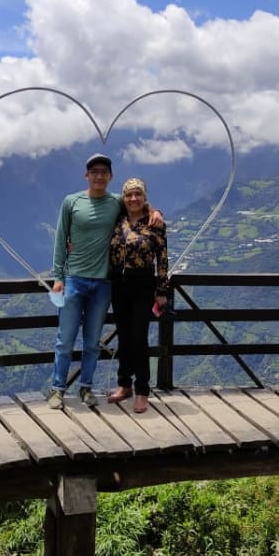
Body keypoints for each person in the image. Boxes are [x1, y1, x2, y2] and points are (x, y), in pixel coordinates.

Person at [47, 153, 161, 409]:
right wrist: (58, 277)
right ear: (86, 175)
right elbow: (60, 239)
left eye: (104, 171)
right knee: (65, 338)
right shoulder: (71, 202)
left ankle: (85, 387)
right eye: (94, 171)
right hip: (74, 279)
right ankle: (57, 389)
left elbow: (139, 203)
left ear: (110, 176)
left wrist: (157, 212)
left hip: (103, 283)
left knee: (92, 341)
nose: (99, 176)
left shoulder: (116, 202)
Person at [106, 178, 168, 413]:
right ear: (124, 197)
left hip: (143, 284)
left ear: (144, 197)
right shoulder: (117, 218)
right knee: (123, 336)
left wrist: (161, 290)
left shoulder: (154, 223)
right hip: (118, 284)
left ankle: (142, 390)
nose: (133, 198)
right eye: (129, 194)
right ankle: (124, 385)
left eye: (137, 194)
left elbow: (162, 258)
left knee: (139, 338)